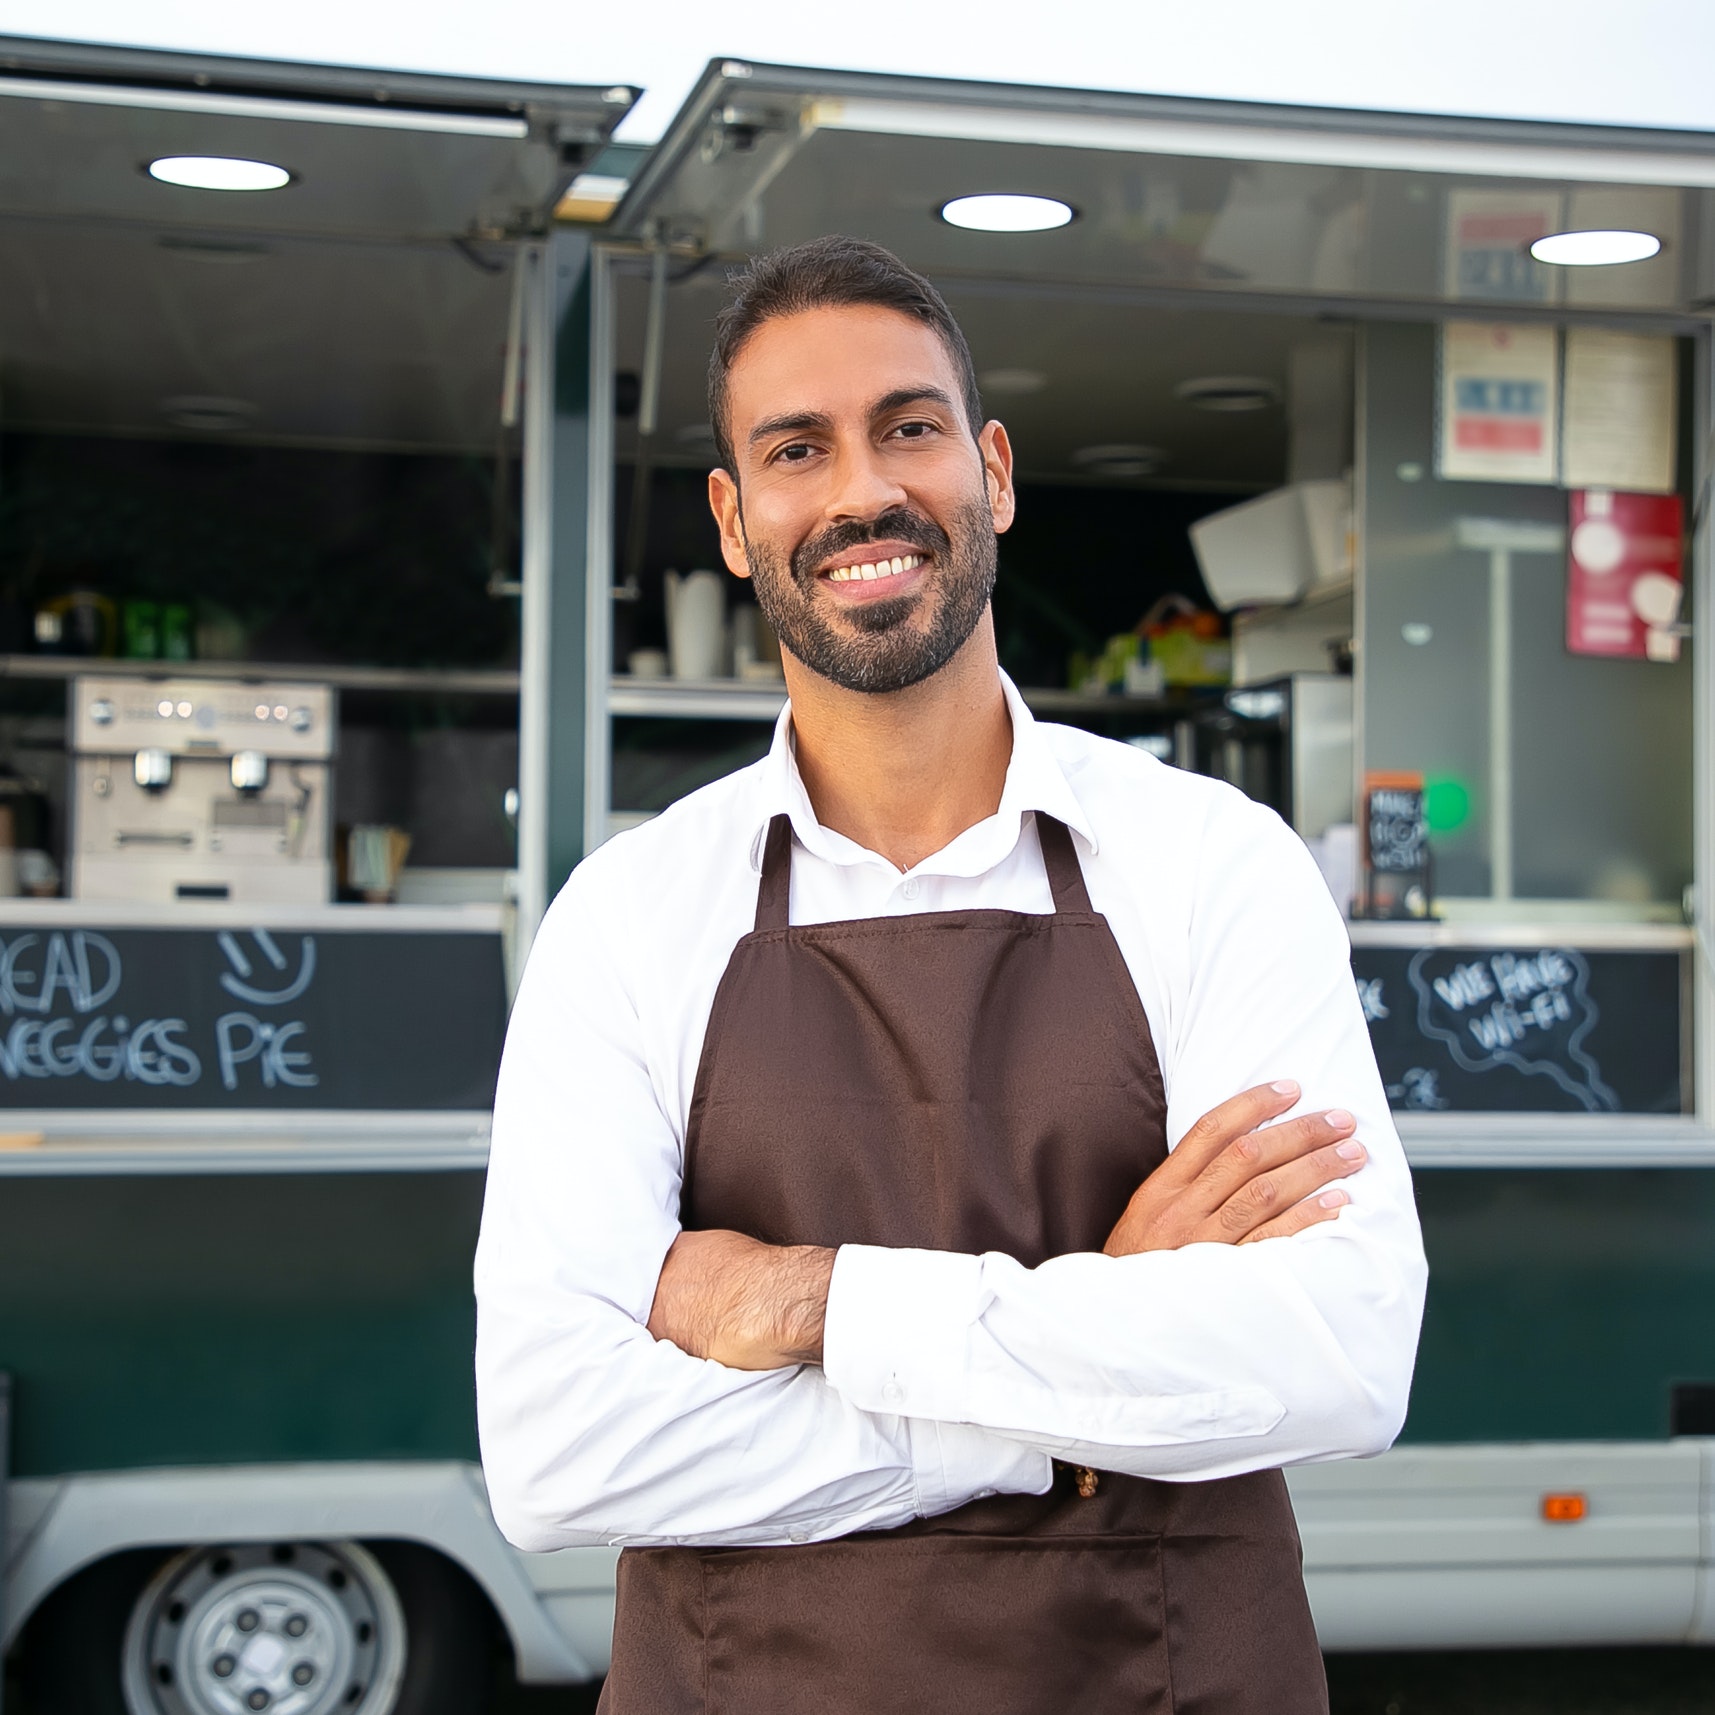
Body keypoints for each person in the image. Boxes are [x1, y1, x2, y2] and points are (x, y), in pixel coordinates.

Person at [475, 235, 1426, 1714]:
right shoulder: (629, 916)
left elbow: (1341, 1353)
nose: (862, 491)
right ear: (734, 521)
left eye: (907, 428)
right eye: (798, 449)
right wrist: (1080, 1381)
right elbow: (557, 1447)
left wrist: (812, 1305)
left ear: (991, 469)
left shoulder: (1210, 863)